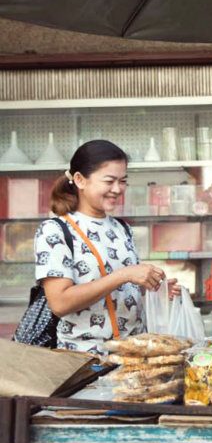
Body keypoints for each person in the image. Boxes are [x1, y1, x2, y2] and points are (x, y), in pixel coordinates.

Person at [34, 140, 178, 354]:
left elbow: (121, 291)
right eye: (109, 181)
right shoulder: (54, 230)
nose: (117, 189)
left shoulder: (122, 228)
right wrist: (125, 274)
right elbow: (60, 303)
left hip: (133, 355)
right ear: (80, 180)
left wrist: (152, 289)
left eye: (123, 181)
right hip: (84, 360)